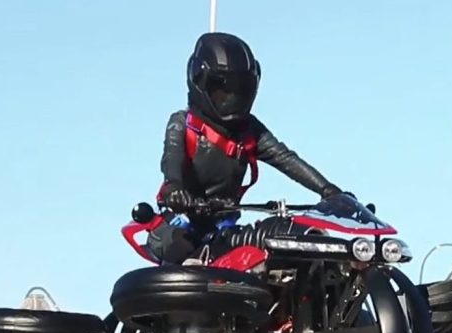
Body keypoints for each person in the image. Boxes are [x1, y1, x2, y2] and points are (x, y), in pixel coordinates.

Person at [147, 31, 351, 264]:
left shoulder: (249, 129)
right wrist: (175, 190)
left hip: (224, 226)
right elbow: (171, 160)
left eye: (240, 90)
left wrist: (330, 192)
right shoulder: (183, 124)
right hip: (180, 223)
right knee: (179, 246)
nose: (231, 99)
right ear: (199, 82)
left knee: (280, 234)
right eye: (223, 91)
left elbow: (285, 158)